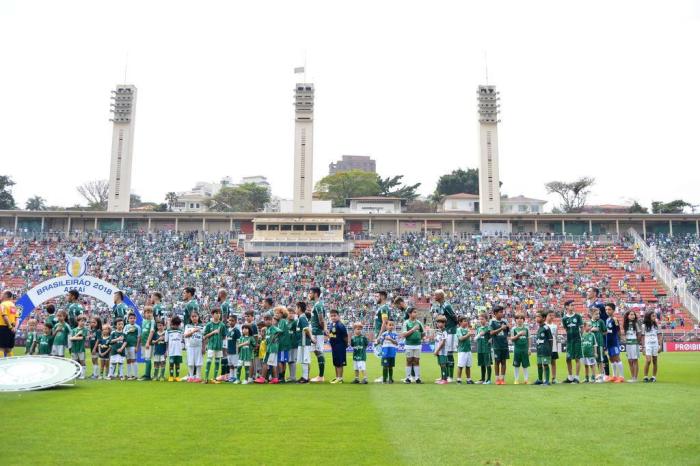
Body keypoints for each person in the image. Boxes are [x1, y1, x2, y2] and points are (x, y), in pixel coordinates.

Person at [434, 289, 458, 381]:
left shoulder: (446, 305)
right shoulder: (440, 305)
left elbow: (454, 316)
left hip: (450, 332)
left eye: (436, 295)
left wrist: (451, 328)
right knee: (444, 354)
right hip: (445, 331)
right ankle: (445, 375)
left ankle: (450, 376)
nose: (434, 297)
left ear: (440, 296)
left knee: (449, 353)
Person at [562, 300, 583, 383]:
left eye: (573, 305)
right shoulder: (564, 318)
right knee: (568, 359)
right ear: (567, 306)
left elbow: (581, 328)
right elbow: (566, 329)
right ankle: (570, 377)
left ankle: (577, 377)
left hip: (577, 340)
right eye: (571, 305)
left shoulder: (578, 316)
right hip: (569, 341)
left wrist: (581, 336)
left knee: (577, 358)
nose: (573, 306)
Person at [400, 307, 424, 384]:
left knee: (416, 361)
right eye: (414, 312)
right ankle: (408, 378)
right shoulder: (406, 323)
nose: (415, 313)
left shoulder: (419, 323)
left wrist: (419, 337)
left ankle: (417, 378)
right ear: (409, 314)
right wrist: (413, 330)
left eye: (416, 312)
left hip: (418, 345)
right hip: (409, 345)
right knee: (409, 361)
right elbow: (404, 334)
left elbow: (423, 333)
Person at [204, 308, 227, 384]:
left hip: (219, 346)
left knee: (217, 362)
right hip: (211, 346)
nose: (218, 314)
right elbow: (204, 336)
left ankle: (214, 378)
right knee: (209, 361)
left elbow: (224, 336)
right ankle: (206, 378)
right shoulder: (209, 324)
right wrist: (213, 332)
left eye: (219, 313)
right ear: (212, 314)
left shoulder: (222, 325)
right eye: (216, 313)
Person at [309, 287, 327, 383]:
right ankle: (321, 376)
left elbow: (321, 319)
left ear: (316, 294)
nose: (309, 294)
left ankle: (321, 376)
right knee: (317, 351)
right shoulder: (317, 305)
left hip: (317, 332)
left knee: (318, 351)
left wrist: (324, 329)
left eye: (311, 293)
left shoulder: (318, 305)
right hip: (316, 331)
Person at [373, 291, 392, 382]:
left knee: (384, 355)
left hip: (383, 336)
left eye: (377, 296)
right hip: (382, 335)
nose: (376, 298)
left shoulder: (384, 308)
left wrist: (379, 336)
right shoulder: (381, 308)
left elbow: (385, 322)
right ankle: (385, 376)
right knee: (383, 355)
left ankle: (385, 377)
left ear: (383, 297)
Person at [257, 314, 280, 384]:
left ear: (272, 320)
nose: (267, 322)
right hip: (270, 348)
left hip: (272, 348)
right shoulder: (267, 329)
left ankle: (262, 378)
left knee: (265, 362)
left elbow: (279, 331)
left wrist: (274, 338)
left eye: (269, 320)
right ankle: (275, 378)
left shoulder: (273, 328)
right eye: (266, 320)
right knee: (273, 364)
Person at [327, 309, 349, 384]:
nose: (333, 317)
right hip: (334, 346)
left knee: (340, 362)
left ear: (338, 316)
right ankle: (337, 377)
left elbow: (345, 336)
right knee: (335, 362)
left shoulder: (340, 325)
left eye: (334, 316)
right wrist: (328, 335)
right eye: (331, 316)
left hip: (340, 346)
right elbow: (332, 335)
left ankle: (340, 378)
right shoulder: (331, 324)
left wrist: (346, 344)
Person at [489, 305, 509, 385]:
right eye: (500, 312)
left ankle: (502, 379)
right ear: (495, 313)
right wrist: (501, 328)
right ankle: (497, 379)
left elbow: (507, 332)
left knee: (504, 362)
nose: (502, 314)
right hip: (496, 345)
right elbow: (491, 333)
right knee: (497, 362)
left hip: (504, 345)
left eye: (502, 312)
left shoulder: (505, 322)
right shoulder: (492, 322)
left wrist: (506, 327)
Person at [605, 303, 624, 383]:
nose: (607, 311)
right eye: (606, 309)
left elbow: (618, 331)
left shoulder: (615, 319)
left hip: (614, 341)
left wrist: (619, 340)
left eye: (609, 309)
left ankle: (621, 376)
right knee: (611, 359)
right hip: (608, 341)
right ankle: (614, 376)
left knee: (616, 358)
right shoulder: (607, 320)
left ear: (613, 310)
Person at [510, 313, 530, 384]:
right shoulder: (513, 329)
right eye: (518, 318)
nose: (519, 320)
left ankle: (526, 379)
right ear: (515, 320)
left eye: (521, 318)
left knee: (525, 365)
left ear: (523, 320)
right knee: (516, 365)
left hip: (525, 349)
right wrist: (519, 334)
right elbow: (512, 339)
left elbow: (528, 339)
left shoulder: (526, 329)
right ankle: (516, 379)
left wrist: (529, 349)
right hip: (517, 350)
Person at [184, 311, 204, 381]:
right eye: (193, 317)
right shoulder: (188, 326)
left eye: (195, 316)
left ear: (198, 317)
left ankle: (198, 377)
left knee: (198, 362)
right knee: (190, 362)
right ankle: (191, 377)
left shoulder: (202, 326)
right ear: (190, 318)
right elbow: (186, 335)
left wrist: (204, 347)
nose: (194, 318)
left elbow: (204, 338)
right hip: (190, 346)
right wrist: (193, 331)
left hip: (199, 346)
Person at [295, 302, 312, 384]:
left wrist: (311, 338)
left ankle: (305, 378)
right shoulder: (301, 317)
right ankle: (304, 376)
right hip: (301, 342)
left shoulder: (302, 318)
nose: (295, 309)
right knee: (303, 359)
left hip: (304, 342)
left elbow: (306, 329)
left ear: (299, 308)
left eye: (296, 308)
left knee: (305, 360)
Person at [534, 311, 553, 386]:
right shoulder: (539, 328)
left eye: (538, 316)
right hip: (539, 350)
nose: (537, 318)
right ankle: (540, 380)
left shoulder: (546, 328)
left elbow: (551, 339)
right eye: (536, 316)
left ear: (544, 318)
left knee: (545, 364)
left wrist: (550, 350)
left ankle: (547, 381)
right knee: (539, 364)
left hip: (545, 350)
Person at [623, 309, 641, 383]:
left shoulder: (636, 323)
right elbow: (625, 334)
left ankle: (635, 378)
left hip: (634, 344)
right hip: (628, 344)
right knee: (630, 361)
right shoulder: (625, 324)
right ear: (627, 316)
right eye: (631, 314)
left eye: (633, 314)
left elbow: (639, 334)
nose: (632, 316)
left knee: (635, 360)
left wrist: (637, 342)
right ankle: (632, 377)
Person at [642, 310, 660, 383]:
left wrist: (660, 345)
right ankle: (645, 376)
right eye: (653, 316)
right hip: (647, 345)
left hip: (655, 344)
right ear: (648, 317)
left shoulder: (657, 325)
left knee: (655, 360)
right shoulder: (644, 326)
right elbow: (643, 337)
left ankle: (653, 377)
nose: (654, 317)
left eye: (655, 316)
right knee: (648, 360)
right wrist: (643, 347)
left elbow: (659, 335)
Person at [589, 307, 607, 382]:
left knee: (600, 360)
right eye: (596, 314)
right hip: (591, 345)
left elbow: (605, 332)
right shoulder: (589, 323)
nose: (598, 315)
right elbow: (585, 332)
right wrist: (591, 330)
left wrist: (599, 333)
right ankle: (594, 376)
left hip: (599, 344)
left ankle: (602, 376)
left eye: (598, 314)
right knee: (592, 360)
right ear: (591, 314)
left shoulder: (601, 321)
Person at [139, 306, 156, 381]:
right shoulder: (143, 321)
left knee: (148, 358)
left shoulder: (152, 321)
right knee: (145, 358)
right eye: (147, 312)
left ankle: (148, 376)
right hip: (143, 343)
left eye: (150, 312)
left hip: (148, 343)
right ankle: (146, 374)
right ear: (144, 314)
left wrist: (148, 342)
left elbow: (152, 331)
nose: (149, 314)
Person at [123, 313, 141, 381]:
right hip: (126, 346)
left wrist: (137, 347)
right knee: (128, 360)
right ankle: (129, 375)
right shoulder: (126, 326)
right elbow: (124, 334)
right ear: (128, 319)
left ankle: (135, 375)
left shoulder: (138, 327)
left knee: (133, 360)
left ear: (135, 319)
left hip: (133, 346)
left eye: (133, 318)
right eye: (131, 318)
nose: (132, 319)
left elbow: (139, 338)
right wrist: (129, 330)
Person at [166, 316, 184, 382]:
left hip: (178, 351)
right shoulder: (168, 331)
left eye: (177, 325)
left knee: (177, 364)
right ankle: (171, 376)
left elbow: (181, 340)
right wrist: (166, 351)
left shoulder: (180, 331)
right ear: (172, 323)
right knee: (171, 363)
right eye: (174, 324)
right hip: (171, 351)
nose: (175, 326)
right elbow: (166, 341)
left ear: (179, 325)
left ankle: (177, 376)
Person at [456, 316, 473, 384]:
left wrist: (469, 334)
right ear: (460, 322)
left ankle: (468, 379)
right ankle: (459, 379)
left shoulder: (467, 329)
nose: (466, 322)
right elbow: (460, 338)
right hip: (462, 351)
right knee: (460, 366)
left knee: (468, 366)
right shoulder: (459, 330)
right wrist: (468, 335)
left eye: (466, 321)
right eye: (464, 321)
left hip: (468, 350)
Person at [275, 307, 291, 382]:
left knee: (280, 361)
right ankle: (282, 377)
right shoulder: (284, 321)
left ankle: (281, 377)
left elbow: (280, 331)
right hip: (285, 344)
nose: (276, 315)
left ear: (282, 314)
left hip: (282, 344)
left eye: (278, 313)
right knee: (283, 361)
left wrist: (273, 332)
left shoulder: (281, 321)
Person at [475, 313, 492, 384]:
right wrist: (479, 335)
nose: (481, 320)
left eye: (482, 319)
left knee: (487, 363)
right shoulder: (478, 328)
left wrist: (490, 339)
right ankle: (482, 379)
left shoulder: (488, 328)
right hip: (480, 348)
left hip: (486, 348)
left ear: (486, 320)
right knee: (482, 364)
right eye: (480, 319)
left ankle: (488, 380)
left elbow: (492, 337)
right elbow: (475, 338)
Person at [0, 291, 18, 357]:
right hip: (12, 329)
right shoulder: (13, 305)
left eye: (2, 294)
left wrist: (10, 327)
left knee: (1, 348)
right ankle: (10, 364)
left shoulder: (3, 305)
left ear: (5, 295)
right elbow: (17, 318)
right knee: (9, 349)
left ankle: (1, 366)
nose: (1, 295)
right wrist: (15, 328)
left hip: (3, 327)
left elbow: (5, 316)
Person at [224, 315, 241, 382]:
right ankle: (231, 377)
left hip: (235, 350)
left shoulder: (236, 330)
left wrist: (238, 349)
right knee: (230, 364)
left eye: (232, 321)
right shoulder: (228, 330)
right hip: (229, 350)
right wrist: (226, 349)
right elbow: (226, 340)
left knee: (235, 365)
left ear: (236, 321)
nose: (230, 322)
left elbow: (239, 341)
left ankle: (236, 377)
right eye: (230, 320)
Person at [545, 311, 560, 384]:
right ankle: (546, 378)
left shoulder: (555, 326)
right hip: (546, 346)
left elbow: (556, 336)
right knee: (545, 362)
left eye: (552, 315)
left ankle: (554, 378)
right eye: (550, 315)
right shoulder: (544, 325)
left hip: (553, 346)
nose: (551, 317)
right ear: (547, 316)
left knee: (553, 362)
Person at [433, 316, 449, 384]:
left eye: (440, 322)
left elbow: (443, 343)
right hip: (439, 351)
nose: (438, 324)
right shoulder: (439, 331)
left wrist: (437, 351)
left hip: (442, 351)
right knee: (440, 364)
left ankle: (444, 379)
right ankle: (442, 378)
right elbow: (437, 340)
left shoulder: (444, 331)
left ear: (444, 323)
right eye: (438, 322)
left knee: (443, 364)